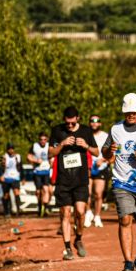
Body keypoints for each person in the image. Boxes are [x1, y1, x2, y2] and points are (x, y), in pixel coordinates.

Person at [102, 93, 136, 271]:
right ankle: (128, 262)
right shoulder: (115, 128)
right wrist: (110, 150)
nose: (130, 115)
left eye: (133, 112)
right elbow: (105, 151)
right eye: (127, 112)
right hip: (121, 181)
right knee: (125, 219)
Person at [49, 106, 99, 260]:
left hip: (80, 180)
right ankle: (67, 248)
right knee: (65, 213)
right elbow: (50, 153)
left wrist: (86, 146)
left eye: (72, 123)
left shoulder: (86, 131)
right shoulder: (57, 131)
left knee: (80, 212)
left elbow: (96, 152)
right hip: (63, 180)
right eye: (67, 123)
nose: (69, 126)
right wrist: (62, 144)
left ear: (77, 118)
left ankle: (78, 238)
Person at [86, 114, 110, 228]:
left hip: (101, 167)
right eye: (92, 121)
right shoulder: (85, 135)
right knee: (87, 193)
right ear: (89, 123)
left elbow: (115, 150)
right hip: (88, 167)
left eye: (97, 121)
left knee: (98, 193)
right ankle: (88, 213)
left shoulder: (105, 136)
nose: (94, 123)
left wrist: (104, 159)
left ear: (100, 123)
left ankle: (97, 216)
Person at [27, 132, 52, 217]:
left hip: (46, 171)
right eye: (41, 139)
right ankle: (39, 206)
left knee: (46, 189)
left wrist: (51, 161)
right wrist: (36, 161)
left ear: (47, 140)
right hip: (37, 172)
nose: (43, 141)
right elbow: (28, 157)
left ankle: (45, 207)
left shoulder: (49, 146)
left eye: (45, 139)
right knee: (38, 192)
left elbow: (53, 156)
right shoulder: (34, 146)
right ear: (39, 139)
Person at [0, 143, 22, 217]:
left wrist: (23, 178)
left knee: (16, 193)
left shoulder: (18, 157)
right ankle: (7, 212)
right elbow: (0, 168)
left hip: (15, 177)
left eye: (12, 149)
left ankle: (18, 211)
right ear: (7, 150)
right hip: (6, 178)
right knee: (6, 195)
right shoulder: (4, 157)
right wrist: (1, 175)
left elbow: (21, 167)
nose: (11, 150)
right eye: (9, 149)